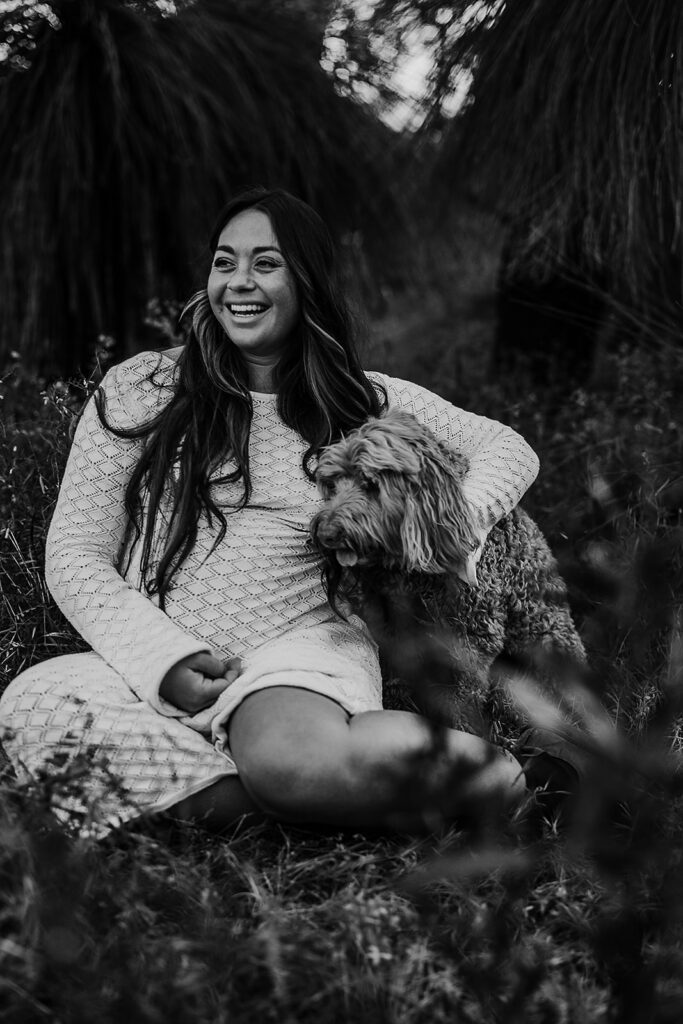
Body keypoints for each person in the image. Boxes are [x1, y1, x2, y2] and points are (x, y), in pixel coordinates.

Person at [0, 188, 540, 833]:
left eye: (266, 263)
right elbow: (75, 550)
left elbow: (507, 449)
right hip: (148, 659)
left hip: (294, 656)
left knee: (285, 760)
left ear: (307, 281)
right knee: (33, 707)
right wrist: (162, 660)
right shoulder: (141, 389)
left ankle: (490, 776)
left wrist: (449, 527)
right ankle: (300, 804)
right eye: (225, 262)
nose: (239, 283)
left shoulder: (363, 399)